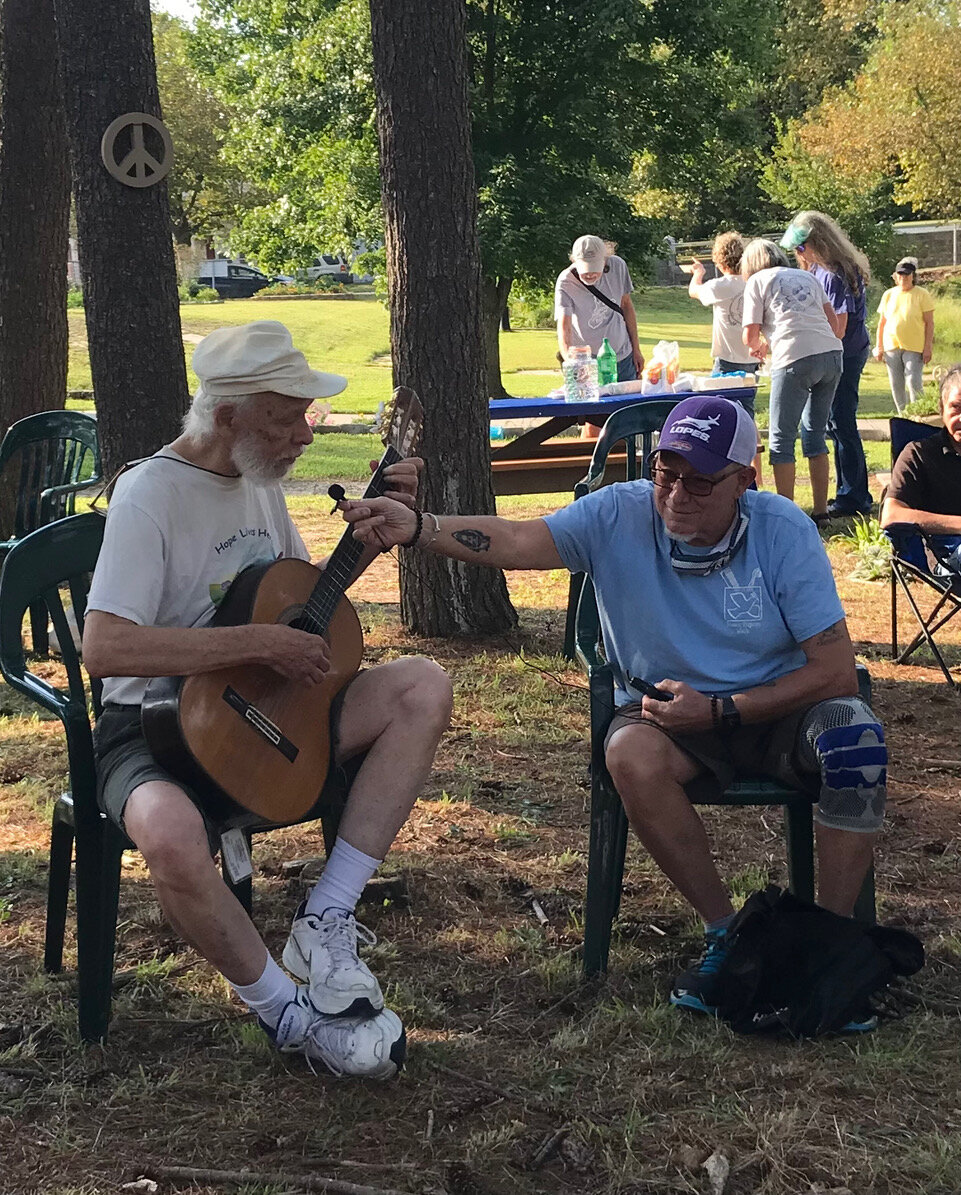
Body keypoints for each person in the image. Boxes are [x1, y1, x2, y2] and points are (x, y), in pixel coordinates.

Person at [337, 396, 887, 1028]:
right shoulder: (618, 513)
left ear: (747, 479)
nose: (677, 495)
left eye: (701, 481)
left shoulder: (783, 528)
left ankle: (829, 944)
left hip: (772, 706)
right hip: (667, 713)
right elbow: (520, 539)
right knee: (628, 751)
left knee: (856, 741)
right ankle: (727, 935)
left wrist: (723, 709)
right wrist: (420, 528)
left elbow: (835, 671)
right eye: (666, 473)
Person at [82, 321, 453, 1078]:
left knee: (421, 683)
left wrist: (368, 544)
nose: (304, 436)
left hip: (260, 716)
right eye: (286, 418)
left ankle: (328, 915)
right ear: (227, 417)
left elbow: (288, 603)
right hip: (149, 731)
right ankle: (285, 1011)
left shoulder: (259, 485)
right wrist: (253, 647)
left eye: (304, 415)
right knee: (170, 833)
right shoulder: (149, 493)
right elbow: (105, 647)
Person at [741, 238, 844, 523]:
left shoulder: (757, 281)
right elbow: (834, 325)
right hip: (832, 356)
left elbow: (749, 335)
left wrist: (760, 345)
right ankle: (821, 511)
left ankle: (787, 516)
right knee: (815, 433)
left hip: (794, 358)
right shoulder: (807, 276)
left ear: (749, 266)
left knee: (781, 438)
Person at [781, 212, 873, 518]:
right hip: (838, 352)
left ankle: (854, 496)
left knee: (841, 422)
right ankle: (849, 491)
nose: (798, 255)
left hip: (844, 353)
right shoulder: (821, 271)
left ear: (816, 242)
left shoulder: (832, 274)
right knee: (837, 423)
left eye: (802, 248)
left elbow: (840, 326)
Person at [687, 230, 763, 480]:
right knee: (748, 419)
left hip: (726, 361)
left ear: (719, 262)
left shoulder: (720, 286)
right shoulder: (754, 282)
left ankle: (718, 470)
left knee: (716, 417)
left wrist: (698, 274)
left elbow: (695, 292)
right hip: (752, 360)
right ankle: (756, 474)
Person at [881, 364, 961, 567]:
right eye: (956, 407)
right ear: (942, 409)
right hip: (947, 555)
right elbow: (892, 515)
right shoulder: (919, 453)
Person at [555, 234, 644, 382]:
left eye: (595, 268)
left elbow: (626, 306)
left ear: (605, 260)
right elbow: (564, 328)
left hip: (623, 357)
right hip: (588, 362)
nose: (589, 274)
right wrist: (572, 363)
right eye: (584, 268)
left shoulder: (618, 266)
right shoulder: (566, 282)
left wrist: (636, 350)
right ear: (574, 261)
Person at [875, 257, 936, 413]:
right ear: (896, 276)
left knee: (914, 381)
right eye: (900, 275)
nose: (903, 278)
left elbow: (929, 323)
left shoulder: (922, 294)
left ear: (913, 276)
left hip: (914, 346)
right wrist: (879, 346)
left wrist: (928, 347)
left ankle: (918, 413)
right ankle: (903, 415)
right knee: (896, 383)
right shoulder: (888, 294)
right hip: (891, 345)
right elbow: (882, 323)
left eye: (907, 275)